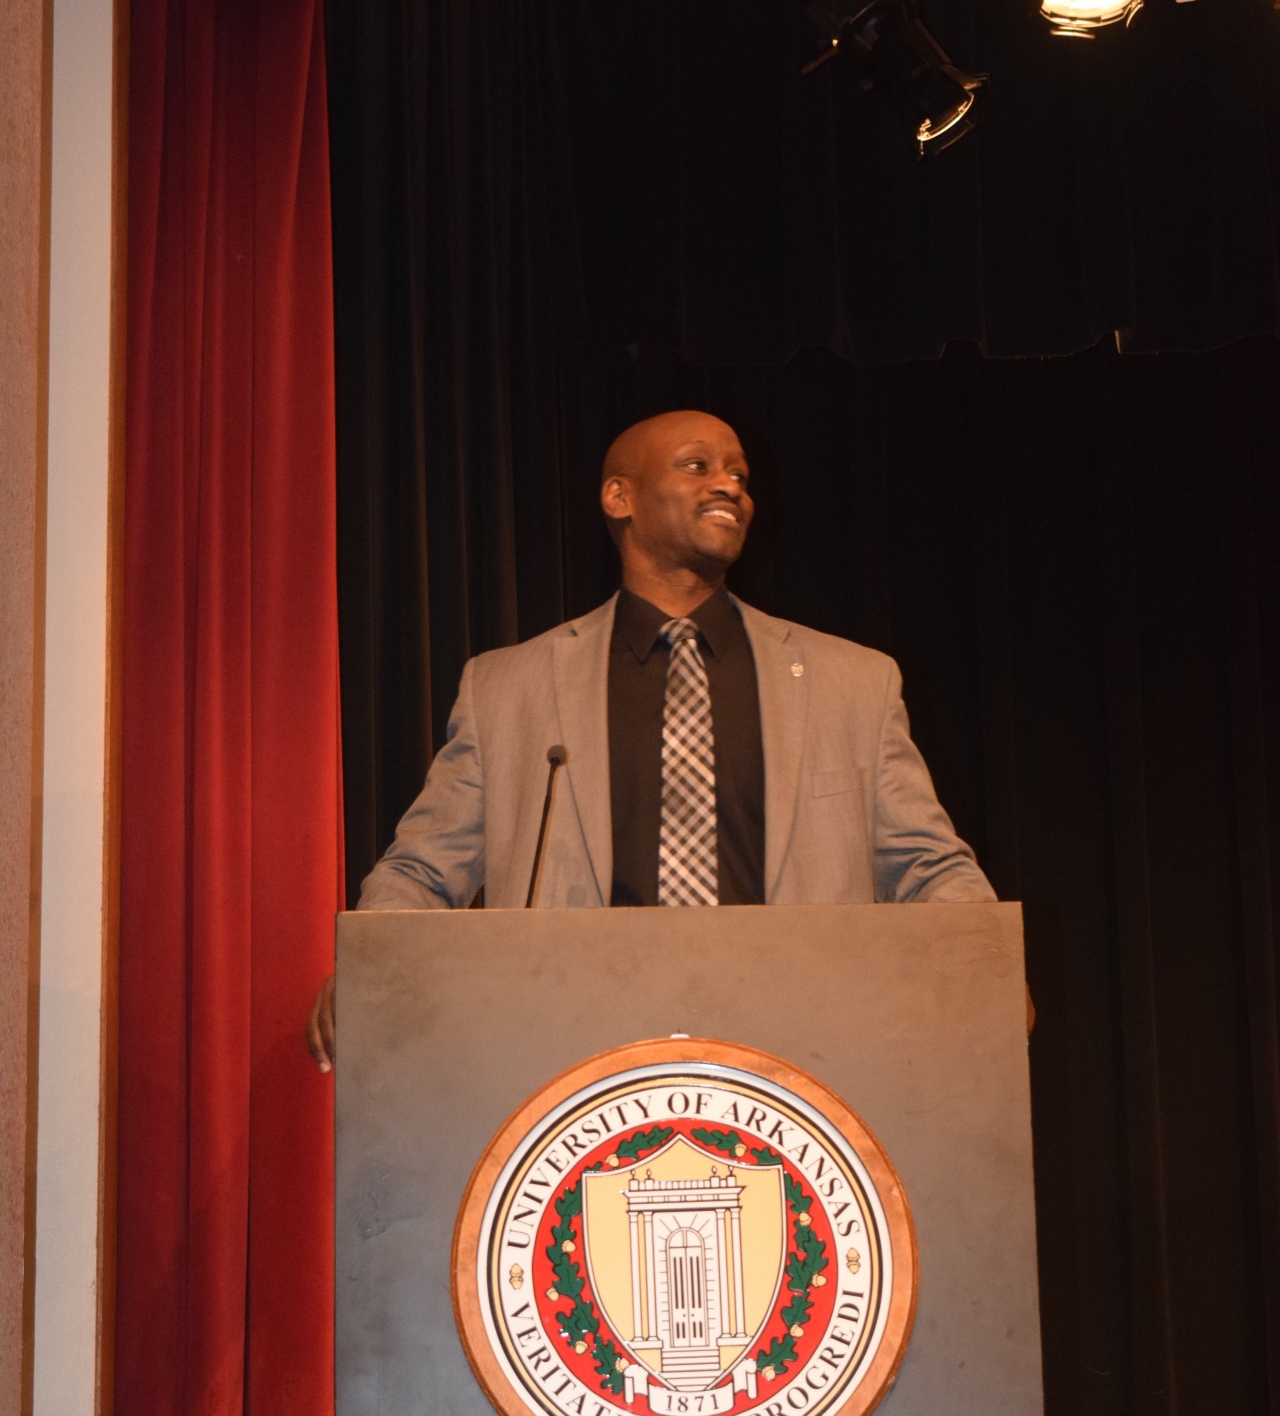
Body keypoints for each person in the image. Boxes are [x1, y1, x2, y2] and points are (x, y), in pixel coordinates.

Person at [307, 410, 995, 1069]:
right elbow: (423, 872)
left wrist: (986, 960)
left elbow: (927, 867)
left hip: (797, 1057)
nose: (729, 485)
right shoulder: (507, 689)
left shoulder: (854, 683)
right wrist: (374, 965)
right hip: (579, 1061)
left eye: (740, 475)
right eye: (698, 466)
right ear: (619, 496)